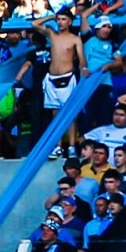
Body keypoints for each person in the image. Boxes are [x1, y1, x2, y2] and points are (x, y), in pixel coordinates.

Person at [34, 9, 87, 158]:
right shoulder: (52, 35)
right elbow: (35, 23)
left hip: (68, 77)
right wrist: (51, 16)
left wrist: (83, 69)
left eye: (64, 19)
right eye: (59, 19)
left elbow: (81, 58)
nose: (60, 22)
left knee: (69, 115)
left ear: (70, 21)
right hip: (51, 78)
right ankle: (57, 146)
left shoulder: (75, 39)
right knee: (55, 114)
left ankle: (71, 146)